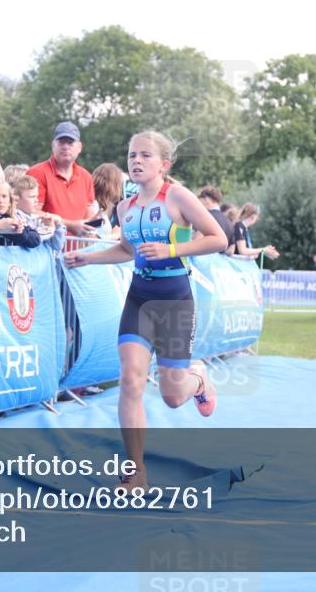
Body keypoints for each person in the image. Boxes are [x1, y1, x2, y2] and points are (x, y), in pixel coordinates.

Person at [63, 130, 227, 492]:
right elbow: (126, 250)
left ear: (164, 165)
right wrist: (87, 258)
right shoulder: (126, 207)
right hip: (139, 298)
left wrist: (170, 251)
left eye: (145, 156)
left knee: (171, 396)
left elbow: (218, 238)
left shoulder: (178, 197)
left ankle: (197, 379)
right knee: (131, 379)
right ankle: (135, 471)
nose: (136, 161)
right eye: (132, 154)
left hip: (173, 300)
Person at [26, 121, 99, 237]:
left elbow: (89, 215)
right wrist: (70, 225)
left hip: (78, 251)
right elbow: (30, 213)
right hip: (47, 250)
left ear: (79, 147)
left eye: (70, 142)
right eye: (61, 142)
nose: (65, 146)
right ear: (53, 145)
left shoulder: (86, 176)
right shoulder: (36, 173)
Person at [0, 179, 39, 247]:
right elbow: (20, 236)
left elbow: (36, 239)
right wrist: (22, 231)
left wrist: (22, 230)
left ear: (10, 201)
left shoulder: (11, 217)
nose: (0, 201)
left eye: (4, 196)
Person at [12, 174, 66, 252]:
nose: (36, 200)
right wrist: (49, 229)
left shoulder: (38, 218)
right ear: (16, 199)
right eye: (31, 197)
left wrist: (57, 225)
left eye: (36, 196)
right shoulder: (14, 216)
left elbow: (56, 246)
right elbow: (31, 237)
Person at [196, 186, 235, 254]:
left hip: (203, 260)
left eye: (199, 200)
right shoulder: (229, 221)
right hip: (219, 262)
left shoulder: (207, 216)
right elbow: (231, 250)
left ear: (206, 199)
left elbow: (197, 239)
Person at [92, 163, 126, 240]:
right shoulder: (94, 206)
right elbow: (89, 239)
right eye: (119, 183)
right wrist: (114, 235)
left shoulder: (103, 207)